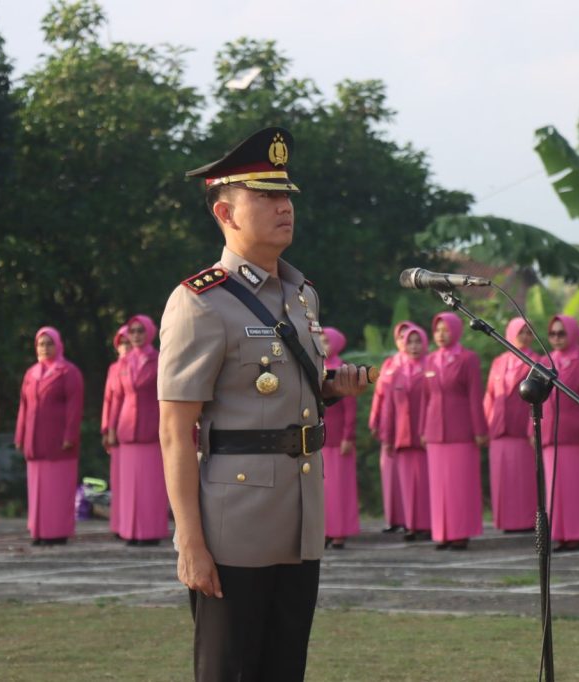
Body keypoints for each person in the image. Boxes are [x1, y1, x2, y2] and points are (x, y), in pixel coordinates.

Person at [157, 126, 368, 681]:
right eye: (267, 197)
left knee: (284, 668)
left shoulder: (301, 294)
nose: (284, 207)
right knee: (229, 670)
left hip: (298, 514)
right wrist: (190, 541)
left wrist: (329, 388)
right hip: (235, 521)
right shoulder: (199, 302)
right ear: (226, 212)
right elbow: (176, 432)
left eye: (286, 196)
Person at [420, 311, 487, 550]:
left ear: (456, 331)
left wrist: (479, 430)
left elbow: (474, 396)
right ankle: (442, 533)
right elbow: (425, 398)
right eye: (437, 330)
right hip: (436, 431)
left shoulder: (468, 358)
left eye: (445, 329)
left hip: (462, 431)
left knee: (460, 485)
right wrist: (423, 429)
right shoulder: (429, 360)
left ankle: (460, 533)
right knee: (438, 487)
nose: (440, 334)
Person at [15, 327, 84, 546]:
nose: (44, 348)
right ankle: (39, 531)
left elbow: (75, 407)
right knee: (37, 489)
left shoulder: (68, 371)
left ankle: (57, 532)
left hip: (58, 441)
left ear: (58, 345)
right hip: (35, 440)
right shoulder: (31, 373)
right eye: (41, 344)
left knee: (57, 488)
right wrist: (20, 435)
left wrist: (69, 436)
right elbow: (24, 407)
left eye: (49, 343)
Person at [540, 316, 579, 552]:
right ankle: (560, 534)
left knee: (576, 488)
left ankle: (576, 534)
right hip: (549, 433)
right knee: (554, 488)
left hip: (577, 434)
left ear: (573, 334)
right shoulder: (544, 361)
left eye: (561, 333)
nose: (556, 338)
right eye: (552, 334)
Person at [110, 314, 168, 546]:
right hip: (127, 428)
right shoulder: (122, 363)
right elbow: (116, 396)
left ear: (150, 332)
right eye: (132, 331)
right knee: (129, 486)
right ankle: (130, 532)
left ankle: (150, 531)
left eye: (140, 331)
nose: (135, 335)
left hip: (151, 427)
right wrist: (112, 427)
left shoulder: (160, 359)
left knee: (150, 484)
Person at [483, 318, 538, 534]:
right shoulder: (499, 362)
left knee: (523, 478)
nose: (524, 336)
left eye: (528, 332)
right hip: (499, 428)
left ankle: (525, 521)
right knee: (501, 478)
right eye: (520, 331)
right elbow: (489, 394)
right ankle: (506, 521)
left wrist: (532, 427)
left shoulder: (536, 361)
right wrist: (486, 424)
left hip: (522, 429)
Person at [378, 324, 431, 541]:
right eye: (409, 342)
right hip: (402, 437)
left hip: (426, 437)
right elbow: (389, 407)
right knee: (407, 485)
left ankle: (427, 525)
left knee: (425, 483)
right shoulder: (397, 372)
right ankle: (411, 525)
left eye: (418, 341)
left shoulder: (431, 367)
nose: (414, 346)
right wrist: (387, 437)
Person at [369, 321, 411, 533]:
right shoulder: (389, 364)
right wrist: (374, 420)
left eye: (408, 335)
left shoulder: (414, 364)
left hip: (405, 426)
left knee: (406, 472)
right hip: (388, 425)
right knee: (389, 472)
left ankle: (408, 519)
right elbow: (379, 394)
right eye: (400, 336)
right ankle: (393, 519)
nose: (404, 340)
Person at [321, 327, 359, 549]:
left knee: (338, 489)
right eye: (320, 340)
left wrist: (348, 435)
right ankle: (325, 531)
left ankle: (340, 532)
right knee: (322, 489)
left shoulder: (345, 370)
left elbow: (350, 407)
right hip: (318, 437)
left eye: (326, 341)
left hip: (338, 438)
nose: (322, 344)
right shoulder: (315, 367)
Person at [102, 324, 130, 537]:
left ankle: (130, 525)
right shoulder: (114, 368)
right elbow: (109, 400)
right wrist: (108, 428)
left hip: (136, 429)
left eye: (127, 342)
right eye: (121, 343)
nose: (124, 346)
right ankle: (119, 524)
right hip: (120, 427)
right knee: (119, 481)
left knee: (132, 481)